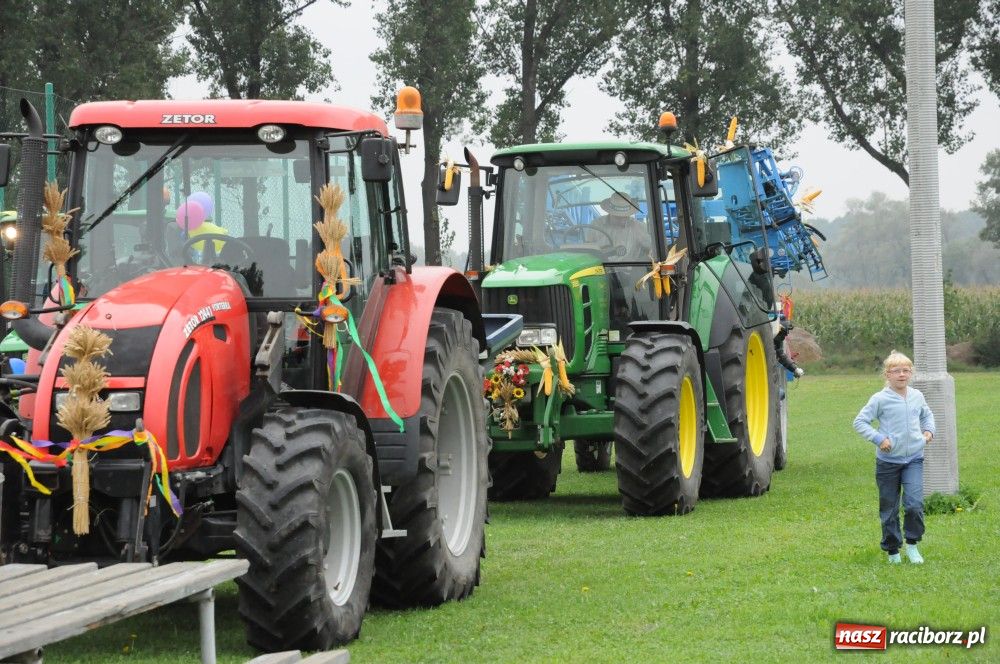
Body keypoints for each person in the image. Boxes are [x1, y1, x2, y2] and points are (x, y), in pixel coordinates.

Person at [853, 350, 935, 565]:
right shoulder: (880, 399)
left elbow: (927, 414)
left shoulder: (917, 396)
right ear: (887, 375)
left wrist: (928, 431)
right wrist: (879, 438)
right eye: (896, 371)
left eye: (906, 371)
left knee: (914, 504)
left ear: (911, 374)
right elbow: (860, 422)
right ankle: (893, 551)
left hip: (914, 459)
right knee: (889, 509)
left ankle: (913, 545)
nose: (901, 375)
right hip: (888, 463)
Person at [589, 192, 652, 260]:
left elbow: (653, 249)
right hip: (600, 268)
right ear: (610, 213)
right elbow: (587, 249)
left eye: (625, 216)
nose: (622, 220)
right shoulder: (596, 225)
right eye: (618, 217)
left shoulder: (639, 227)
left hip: (629, 269)